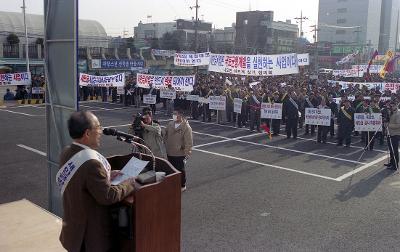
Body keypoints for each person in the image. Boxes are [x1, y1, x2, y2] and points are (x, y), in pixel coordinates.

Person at [56, 111, 135, 252]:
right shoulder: (92, 164)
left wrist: (107, 175)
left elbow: (82, 180)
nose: (101, 131)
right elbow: (108, 196)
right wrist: (130, 183)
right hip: (90, 238)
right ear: (87, 133)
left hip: (73, 232)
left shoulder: (67, 152)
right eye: (98, 127)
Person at [164, 108, 193, 191]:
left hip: (180, 152)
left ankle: (182, 185)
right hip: (170, 151)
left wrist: (187, 153)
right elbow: (165, 135)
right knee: (171, 168)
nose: (174, 115)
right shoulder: (170, 124)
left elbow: (189, 141)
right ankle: (173, 183)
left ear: (180, 115)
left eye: (175, 114)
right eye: (173, 114)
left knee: (180, 169)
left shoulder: (186, 127)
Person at [386, 101, 400, 170]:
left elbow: (398, 125)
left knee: (394, 150)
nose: (391, 107)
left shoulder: (398, 113)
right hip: (389, 133)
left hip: (395, 134)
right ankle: (391, 162)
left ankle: (395, 165)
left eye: (393, 106)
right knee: (391, 149)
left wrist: (389, 125)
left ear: (396, 105)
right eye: (390, 106)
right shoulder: (391, 112)